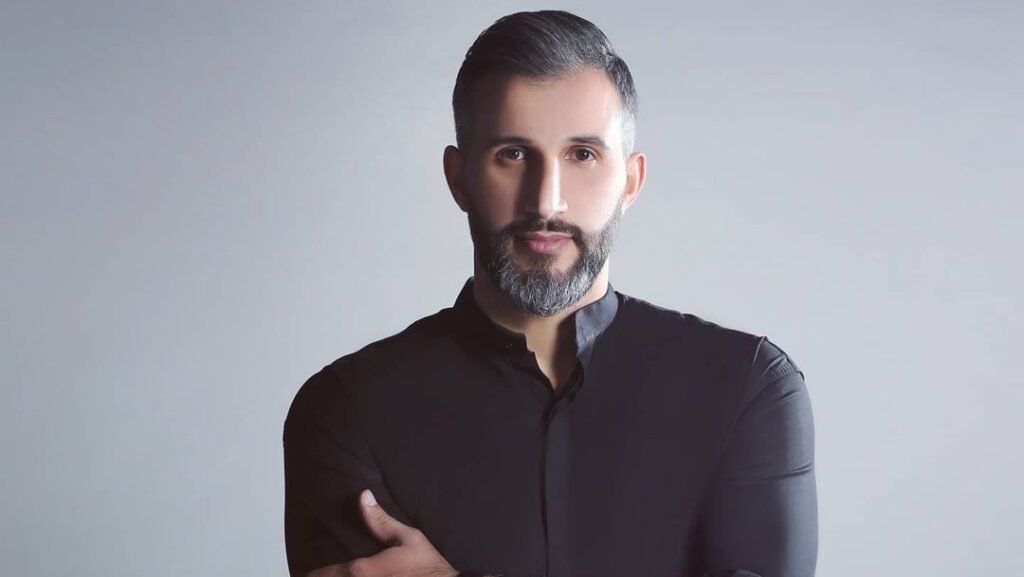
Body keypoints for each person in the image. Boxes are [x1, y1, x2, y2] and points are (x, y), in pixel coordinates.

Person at [283, 10, 817, 577]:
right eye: (512, 154)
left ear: (630, 181)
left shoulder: (747, 388)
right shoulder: (347, 411)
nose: (547, 201)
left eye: (582, 154)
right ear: (459, 178)